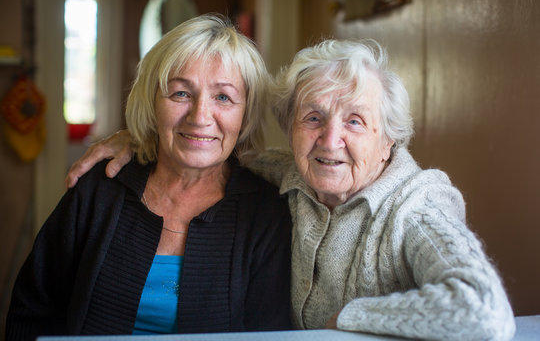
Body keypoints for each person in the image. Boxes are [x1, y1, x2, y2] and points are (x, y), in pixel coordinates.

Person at [64, 39, 516, 340]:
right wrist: (138, 139)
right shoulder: (292, 176)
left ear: (389, 139)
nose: (329, 139)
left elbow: (483, 311)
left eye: (355, 121)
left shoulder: (416, 207)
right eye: (313, 118)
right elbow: (209, 145)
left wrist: (354, 318)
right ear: (291, 129)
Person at [6, 14, 292, 340]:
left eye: (223, 97)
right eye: (180, 93)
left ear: (246, 113)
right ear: (153, 102)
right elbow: (31, 313)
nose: (200, 117)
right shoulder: (99, 191)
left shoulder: (266, 215)